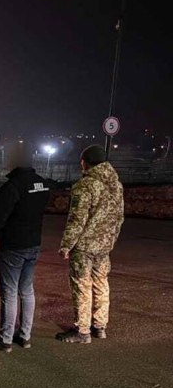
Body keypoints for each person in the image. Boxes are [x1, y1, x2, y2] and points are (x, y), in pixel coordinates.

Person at [0, 143, 50, 352]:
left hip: (12, 246)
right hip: (33, 243)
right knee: (26, 290)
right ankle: (25, 335)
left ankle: (6, 339)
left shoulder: (13, 186)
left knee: (9, 292)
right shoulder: (42, 184)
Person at [57, 145, 124, 343]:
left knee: (82, 286)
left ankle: (82, 331)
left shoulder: (85, 186)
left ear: (85, 162)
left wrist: (66, 245)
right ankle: (100, 327)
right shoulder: (116, 185)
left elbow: (77, 220)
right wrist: (111, 239)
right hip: (104, 247)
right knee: (102, 284)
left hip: (85, 247)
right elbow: (119, 218)